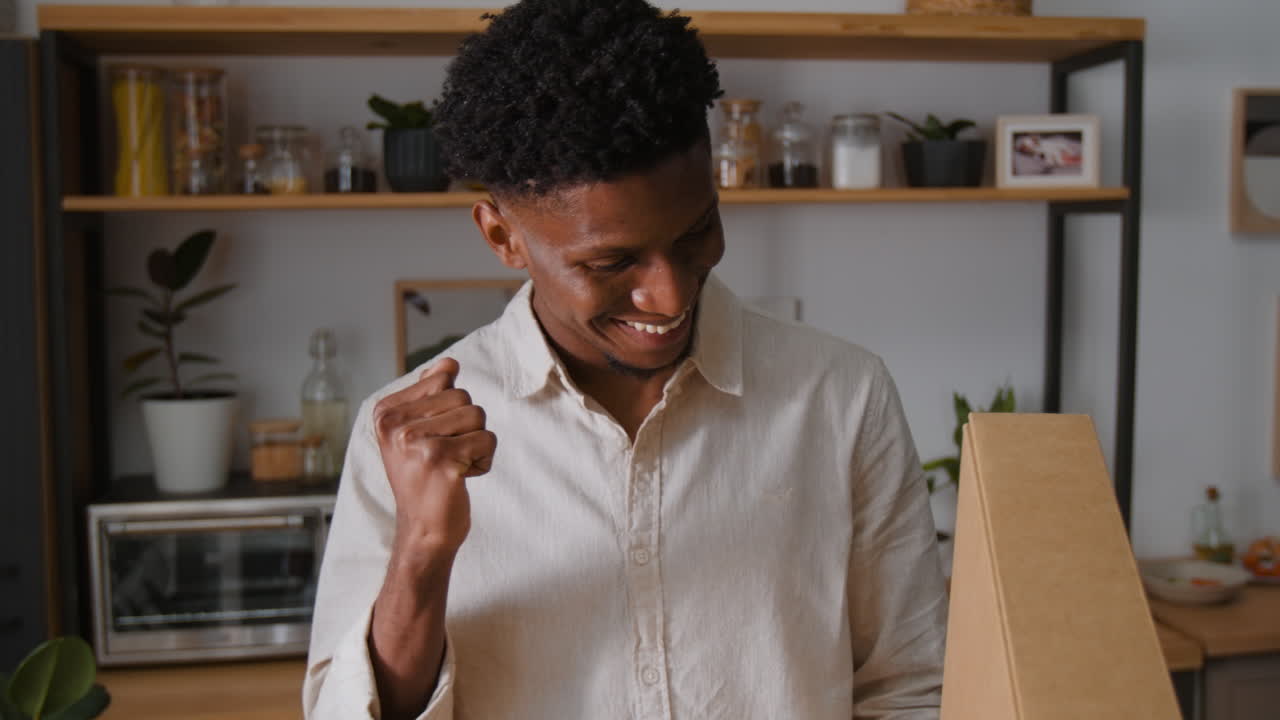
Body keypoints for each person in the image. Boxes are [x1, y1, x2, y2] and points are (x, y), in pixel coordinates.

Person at [303, 1, 947, 718]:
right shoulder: (404, 439)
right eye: (610, 261)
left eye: (697, 231)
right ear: (501, 236)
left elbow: (912, 684)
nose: (669, 293)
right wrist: (422, 551)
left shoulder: (842, 394)